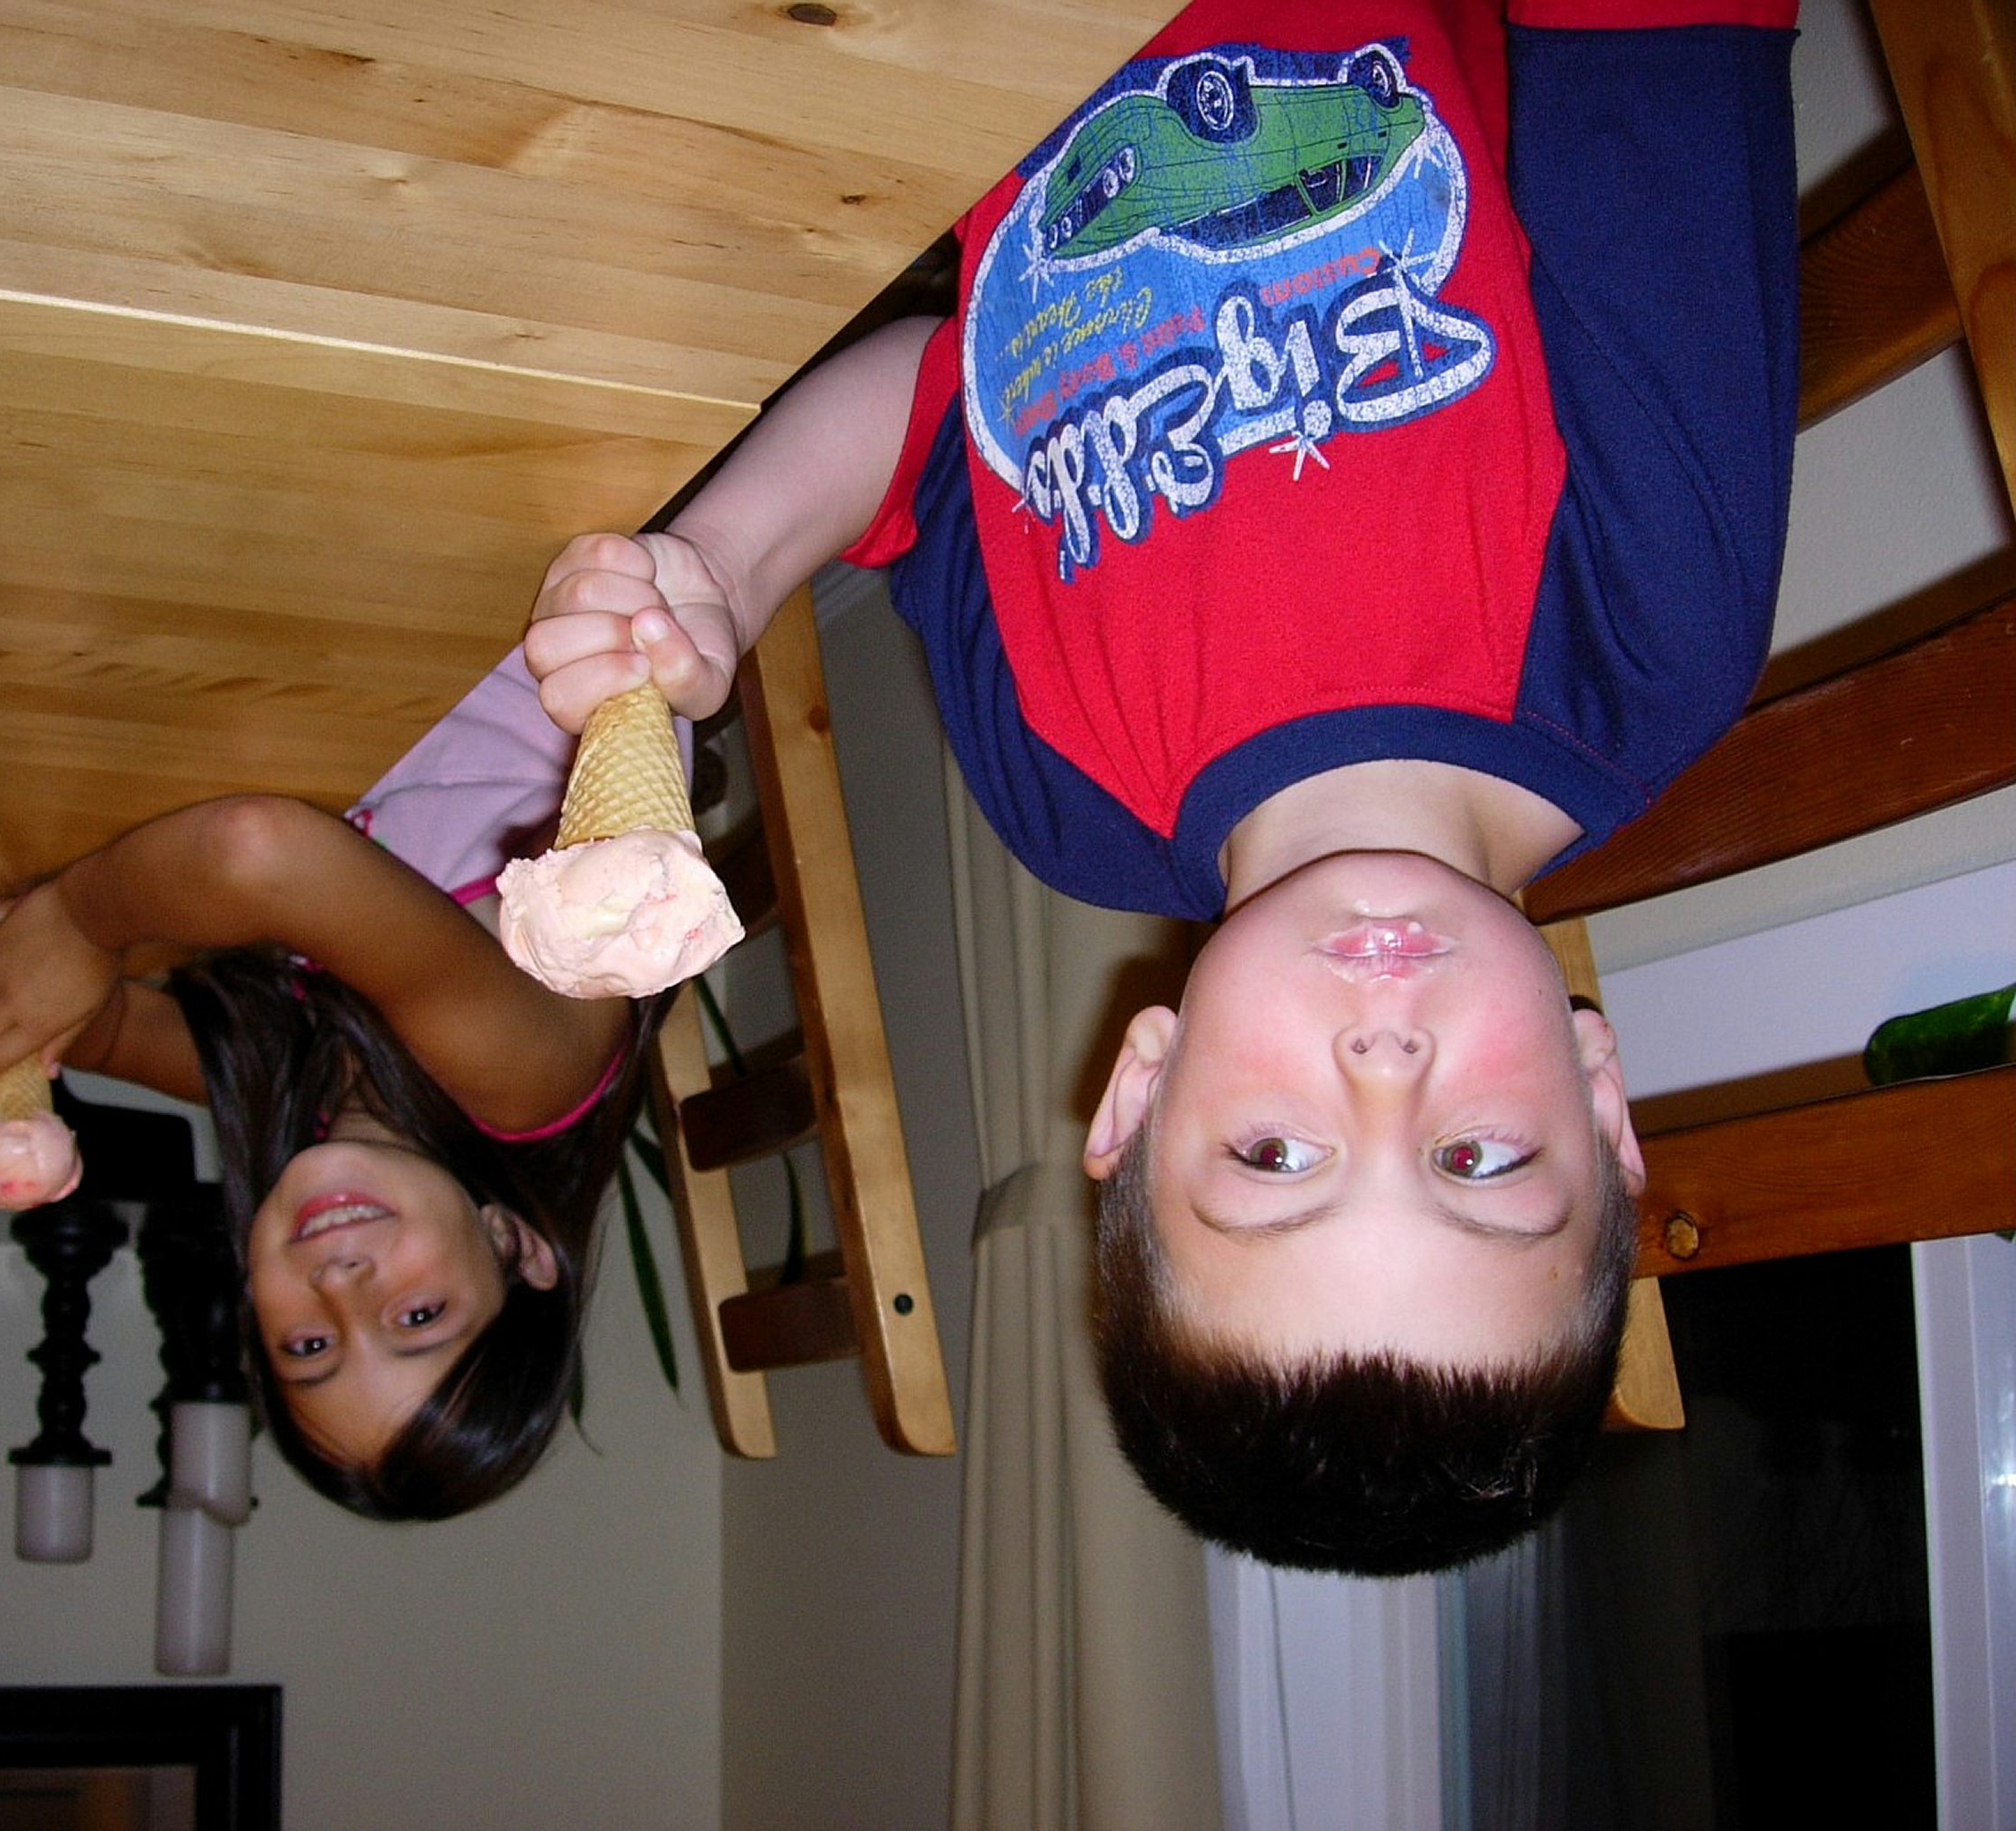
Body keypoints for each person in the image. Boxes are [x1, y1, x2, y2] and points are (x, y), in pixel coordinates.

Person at [524, 1, 1799, 1573]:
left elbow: (937, 411)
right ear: (1602, 1109)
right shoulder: (1653, 626)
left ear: (1135, 1096)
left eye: (1276, 1160)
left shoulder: (1066, 801)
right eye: (1475, 1162)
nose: (1385, 1065)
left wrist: (724, 567)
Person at [0, 649, 671, 1521]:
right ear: (514, 1246)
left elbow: (106, 1032)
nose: (341, 1282)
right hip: (547, 619)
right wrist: (73, 923)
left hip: (374, 675)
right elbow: (257, 849)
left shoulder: (319, 1104)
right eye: (418, 1316)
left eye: (309, 1343)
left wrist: (6, 974)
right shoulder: (526, 1075)